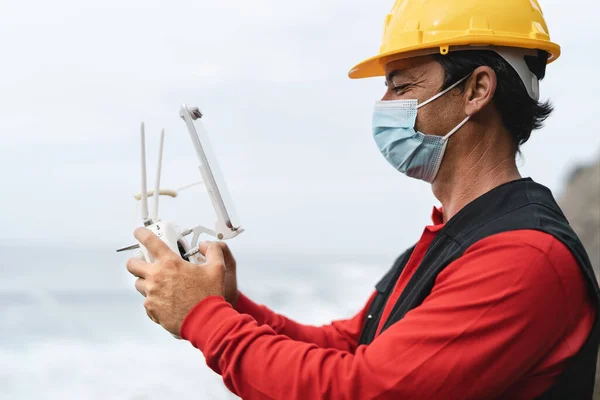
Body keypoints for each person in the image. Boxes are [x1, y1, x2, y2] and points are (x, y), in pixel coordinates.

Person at [125, 0, 600, 398]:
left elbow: (360, 389)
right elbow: (350, 347)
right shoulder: (455, 237)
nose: (385, 104)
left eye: (402, 84)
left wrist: (203, 317)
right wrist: (229, 304)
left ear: (476, 90)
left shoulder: (522, 257)